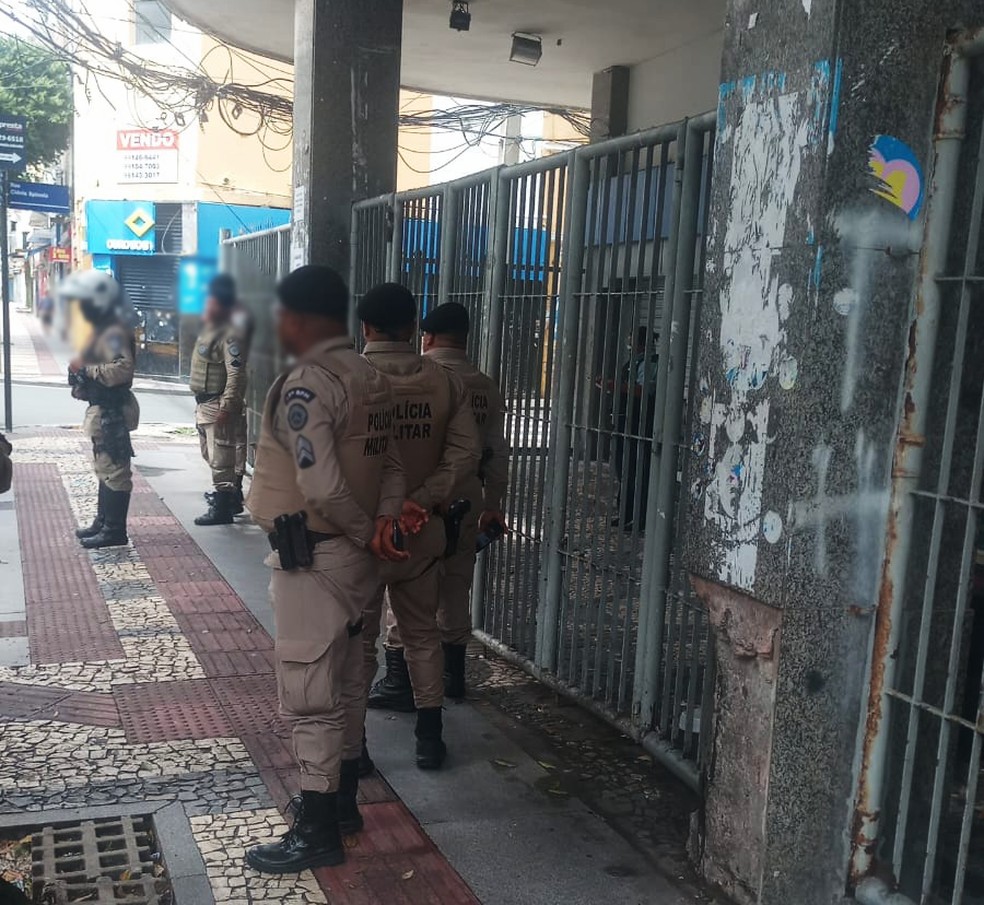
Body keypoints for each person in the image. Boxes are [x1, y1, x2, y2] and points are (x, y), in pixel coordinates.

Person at [244, 265, 424, 874]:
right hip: (357, 559)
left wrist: (361, 529)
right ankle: (343, 805)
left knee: (310, 692)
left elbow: (319, 482)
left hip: (317, 556)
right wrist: (384, 524)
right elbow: (394, 463)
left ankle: (317, 828)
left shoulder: (307, 385)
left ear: (295, 319)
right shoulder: (368, 375)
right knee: (348, 680)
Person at [358, 284, 481, 769]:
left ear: (365, 327)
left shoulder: (349, 378)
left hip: (364, 537)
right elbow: (466, 453)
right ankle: (430, 739)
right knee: (422, 634)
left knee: (358, 642)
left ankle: (356, 750)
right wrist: (422, 500)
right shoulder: (443, 382)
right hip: (423, 531)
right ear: (413, 327)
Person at [369, 302, 508, 707]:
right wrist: (494, 502)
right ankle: (453, 677)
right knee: (455, 587)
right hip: (467, 498)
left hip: (418, 504)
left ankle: (399, 681)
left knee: (408, 593)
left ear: (425, 336)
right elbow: (496, 452)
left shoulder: (421, 378)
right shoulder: (484, 384)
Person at [64, 270, 140, 549]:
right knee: (104, 467)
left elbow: (123, 368)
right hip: (102, 407)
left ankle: (114, 530)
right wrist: (81, 381)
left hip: (113, 410)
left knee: (115, 469)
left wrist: (86, 369)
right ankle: (103, 522)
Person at [190, 275, 248, 526]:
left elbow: (236, 373)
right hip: (204, 405)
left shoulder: (229, 335)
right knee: (211, 455)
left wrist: (227, 407)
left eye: (210, 300)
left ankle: (223, 507)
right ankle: (230, 497)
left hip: (216, 405)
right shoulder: (210, 330)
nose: (205, 304)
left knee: (221, 458)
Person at [611, 325, 659, 532]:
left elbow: (643, 390)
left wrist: (615, 386)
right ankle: (625, 513)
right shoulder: (635, 361)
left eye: (631, 338)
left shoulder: (649, 363)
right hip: (627, 421)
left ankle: (639, 517)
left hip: (641, 423)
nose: (628, 342)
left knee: (638, 470)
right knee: (624, 469)